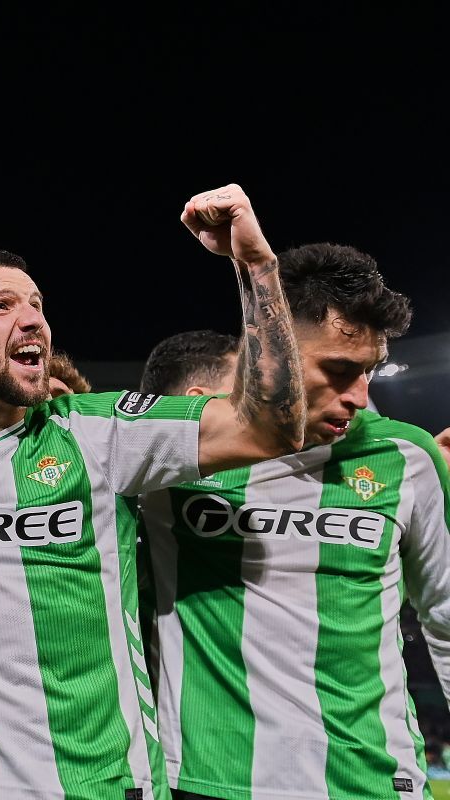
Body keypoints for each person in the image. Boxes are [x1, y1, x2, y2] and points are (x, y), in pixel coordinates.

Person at [0, 184, 306, 800]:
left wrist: (257, 267)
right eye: (2, 307)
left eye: (36, 305)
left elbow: (271, 426)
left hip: (110, 784)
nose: (32, 320)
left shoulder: (99, 431)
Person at [139, 244, 448, 800]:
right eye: (338, 370)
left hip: (372, 782)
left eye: (370, 372)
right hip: (212, 782)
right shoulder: (171, 456)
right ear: (270, 350)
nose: (360, 396)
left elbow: (446, 616)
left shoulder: (408, 458)